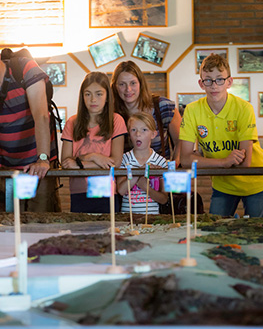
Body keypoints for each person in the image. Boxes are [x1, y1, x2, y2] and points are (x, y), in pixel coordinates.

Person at [0, 33, 59, 211]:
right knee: (7, 224)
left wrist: (43, 159)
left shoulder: (24, 67)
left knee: (41, 222)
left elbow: (41, 116)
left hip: (37, 164)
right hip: (5, 167)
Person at [179, 53, 263, 217]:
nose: (214, 85)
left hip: (255, 182)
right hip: (223, 183)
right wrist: (224, 162)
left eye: (219, 79)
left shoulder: (244, 108)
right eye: (208, 80)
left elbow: (245, 163)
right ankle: (233, 221)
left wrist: (203, 161)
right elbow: (186, 160)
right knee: (215, 230)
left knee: (256, 233)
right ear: (201, 84)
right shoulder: (192, 110)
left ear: (229, 82)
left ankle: (236, 221)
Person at [60, 72, 126, 213]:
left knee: (109, 233)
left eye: (99, 94)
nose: (93, 99)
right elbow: (65, 163)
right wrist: (95, 158)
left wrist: (81, 162)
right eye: (88, 94)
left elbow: (115, 162)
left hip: (106, 190)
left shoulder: (116, 120)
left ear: (107, 96)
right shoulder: (72, 122)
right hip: (78, 191)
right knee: (81, 233)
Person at [111, 60, 182, 163]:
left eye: (133, 83)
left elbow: (180, 141)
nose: (128, 89)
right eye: (122, 84)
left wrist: (174, 165)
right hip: (126, 177)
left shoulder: (163, 107)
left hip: (159, 174)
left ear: (141, 83)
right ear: (115, 87)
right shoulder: (112, 115)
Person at [117, 113, 170, 215]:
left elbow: (164, 199)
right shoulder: (124, 159)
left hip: (152, 218)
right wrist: (139, 173)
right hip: (127, 217)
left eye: (144, 130)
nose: (138, 134)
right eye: (133, 130)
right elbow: (121, 190)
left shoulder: (161, 162)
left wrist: (146, 188)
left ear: (153, 134)